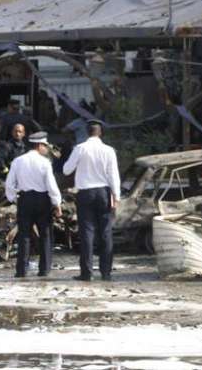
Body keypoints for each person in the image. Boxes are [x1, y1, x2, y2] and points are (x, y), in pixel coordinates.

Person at [63, 119, 120, 282]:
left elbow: (66, 170)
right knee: (106, 233)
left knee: (87, 232)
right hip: (104, 192)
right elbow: (113, 175)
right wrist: (116, 197)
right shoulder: (109, 150)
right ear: (100, 133)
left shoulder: (80, 148)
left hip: (85, 193)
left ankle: (87, 273)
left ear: (87, 132)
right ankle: (106, 272)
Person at [5, 132, 62, 278]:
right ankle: (44, 269)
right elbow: (51, 185)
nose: (46, 149)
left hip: (25, 199)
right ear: (39, 145)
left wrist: (14, 199)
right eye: (45, 146)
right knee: (45, 234)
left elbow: (9, 184)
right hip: (43, 200)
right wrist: (57, 203)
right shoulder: (45, 162)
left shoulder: (18, 161)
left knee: (24, 235)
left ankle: (21, 270)